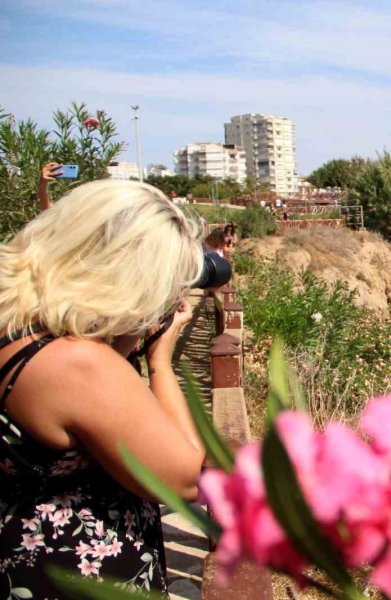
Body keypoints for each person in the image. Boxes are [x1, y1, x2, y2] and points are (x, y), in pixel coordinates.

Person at [0, 180, 206, 597]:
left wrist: (123, 337)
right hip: (79, 576)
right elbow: (185, 479)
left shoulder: (18, 327)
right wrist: (160, 362)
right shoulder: (78, 364)